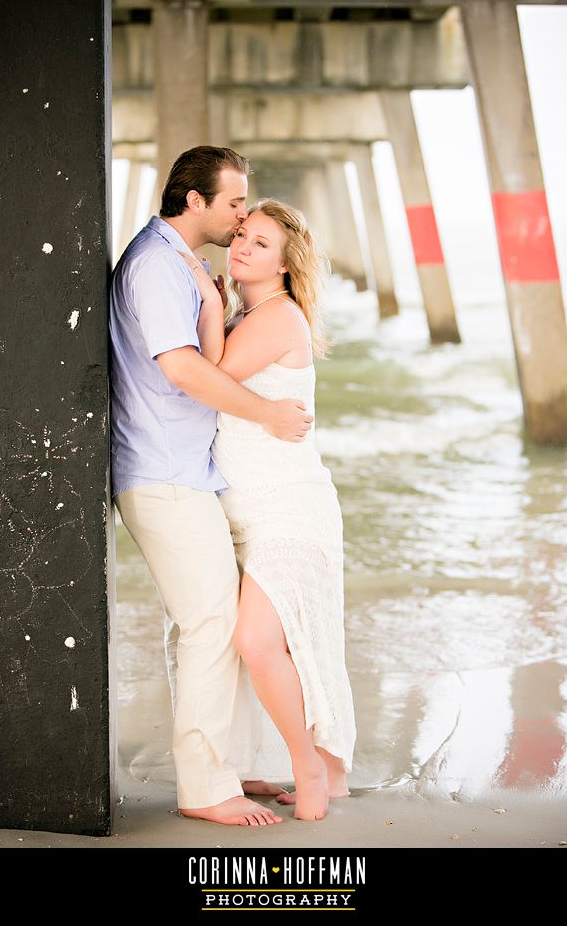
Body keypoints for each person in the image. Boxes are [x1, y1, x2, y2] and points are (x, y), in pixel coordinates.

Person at [109, 146, 315, 827]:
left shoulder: (179, 262)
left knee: (204, 624)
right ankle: (203, 786)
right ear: (194, 200)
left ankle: (219, 764)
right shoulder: (156, 265)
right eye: (234, 203)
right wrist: (268, 414)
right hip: (163, 474)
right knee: (210, 624)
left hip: (183, 472)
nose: (240, 214)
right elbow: (183, 370)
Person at [181, 198, 356, 820]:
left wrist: (205, 301)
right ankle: (320, 767)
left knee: (257, 640)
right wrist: (219, 304)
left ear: (285, 266)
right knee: (289, 643)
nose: (244, 248)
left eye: (260, 243)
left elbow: (208, 376)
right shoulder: (250, 313)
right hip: (248, 515)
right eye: (243, 236)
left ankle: (309, 767)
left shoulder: (278, 317)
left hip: (289, 511)